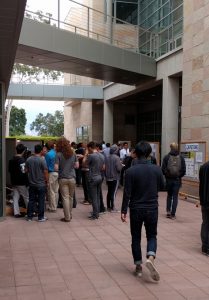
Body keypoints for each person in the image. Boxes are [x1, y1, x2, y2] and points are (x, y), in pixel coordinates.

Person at [121, 141, 164, 281]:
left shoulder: (130, 171)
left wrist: (123, 211)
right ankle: (150, 257)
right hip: (152, 207)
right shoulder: (157, 169)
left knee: (136, 237)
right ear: (148, 153)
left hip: (136, 208)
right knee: (152, 235)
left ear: (136, 153)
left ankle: (138, 266)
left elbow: (127, 193)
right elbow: (163, 186)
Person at [55, 137, 79, 222]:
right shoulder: (73, 153)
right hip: (72, 178)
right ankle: (70, 214)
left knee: (65, 198)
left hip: (62, 178)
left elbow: (56, 168)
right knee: (71, 197)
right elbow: (77, 166)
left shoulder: (58, 154)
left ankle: (67, 217)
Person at [162, 142, 186, 219]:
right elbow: (183, 170)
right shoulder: (181, 157)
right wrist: (178, 176)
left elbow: (163, 169)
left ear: (170, 148)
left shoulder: (166, 157)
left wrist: (168, 176)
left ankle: (168, 211)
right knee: (175, 196)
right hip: (177, 180)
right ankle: (173, 214)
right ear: (177, 148)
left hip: (169, 180)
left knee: (169, 195)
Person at [25, 144, 49, 222]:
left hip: (31, 183)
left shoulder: (29, 159)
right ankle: (40, 217)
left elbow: (26, 170)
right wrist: (47, 181)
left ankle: (29, 216)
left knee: (31, 200)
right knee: (41, 200)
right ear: (41, 151)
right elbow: (45, 171)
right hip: (41, 184)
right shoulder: (42, 160)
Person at [83, 141, 105, 220]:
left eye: (87, 149)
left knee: (94, 197)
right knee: (98, 196)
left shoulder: (91, 156)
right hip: (99, 177)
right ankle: (97, 212)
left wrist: (85, 155)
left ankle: (95, 214)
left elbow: (84, 164)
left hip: (93, 178)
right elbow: (103, 168)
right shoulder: (102, 155)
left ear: (89, 148)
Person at [8, 143, 29, 218]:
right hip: (22, 182)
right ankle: (29, 212)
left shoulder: (11, 160)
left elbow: (10, 171)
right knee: (26, 197)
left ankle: (16, 213)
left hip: (14, 181)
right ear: (23, 151)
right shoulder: (22, 160)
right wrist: (27, 182)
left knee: (15, 197)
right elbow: (24, 172)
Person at [105, 144, 123, 212]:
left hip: (108, 177)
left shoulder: (107, 157)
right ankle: (112, 208)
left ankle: (108, 206)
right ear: (115, 150)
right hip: (115, 177)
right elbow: (118, 168)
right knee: (113, 192)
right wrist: (121, 165)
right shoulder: (116, 158)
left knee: (109, 192)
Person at [45, 141, 59, 212]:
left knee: (51, 191)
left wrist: (46, 178)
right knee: (56, 191)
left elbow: (46, 167)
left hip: (51, 173)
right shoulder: (57, 153)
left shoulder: (48, 154)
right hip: (58, 173)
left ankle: (52, 207)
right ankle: (55, 205)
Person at [199, 161, 209, 255]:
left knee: (205, 223)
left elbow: (201, 184)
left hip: (204, 200)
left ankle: (205, 246)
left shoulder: (203, 167)